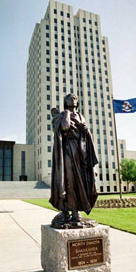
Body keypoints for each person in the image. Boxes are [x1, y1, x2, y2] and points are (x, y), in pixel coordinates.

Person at [49, 93, 98, 226]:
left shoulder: (81, 116)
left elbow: (86, 134)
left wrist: (86, 131)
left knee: (80, 181)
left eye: (75, 98)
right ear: (65, 101)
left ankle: (76, 212)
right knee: (69, 180)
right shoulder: (62, 115)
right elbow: (65, 127)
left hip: (81, 152)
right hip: (67, 151)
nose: (74, 99)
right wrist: (66, 113)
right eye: (71, 98)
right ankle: (70, 210)